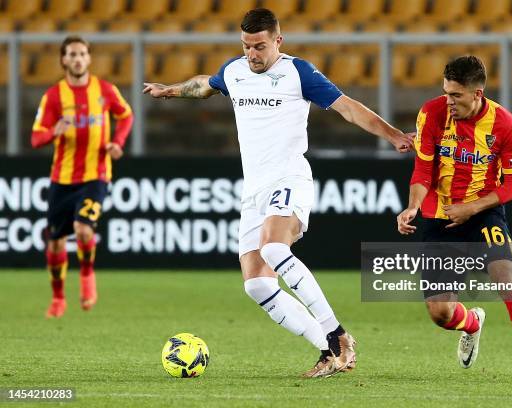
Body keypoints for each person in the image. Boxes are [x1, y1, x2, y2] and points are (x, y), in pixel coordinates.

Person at [143, 8, 413, 377]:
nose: (252, 54)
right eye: (246, 46)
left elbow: (348, 108)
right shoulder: (235, 71)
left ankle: (338, 335)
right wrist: (171, 91)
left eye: (259, 46)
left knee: (274, 248)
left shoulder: (297, 72)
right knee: (256, 283)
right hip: (253, 190)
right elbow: (206, 84)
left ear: (277, 41)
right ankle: (327, 351)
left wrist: (394, 135)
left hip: (289, 179)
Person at [397, 55, 512, 383]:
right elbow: (423, 169)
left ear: (478, 94)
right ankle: (472, 323)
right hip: (438, 217)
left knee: (507, 282)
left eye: (456, 95)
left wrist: (472, 208)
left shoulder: (504, 124)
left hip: (483, 215)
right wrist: (413, 206)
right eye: (446, 92)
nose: (449, 101)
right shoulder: (432, 113)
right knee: (441, 314)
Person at [31, 36, 133, 318]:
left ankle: (87, 275)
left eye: (82, 54)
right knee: (55, 242)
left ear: (88, 59)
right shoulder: (53, 96)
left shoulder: (104, 90)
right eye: (72, 54)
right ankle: (58, 297)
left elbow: (126, 115)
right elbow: (36, 137)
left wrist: (118, 143)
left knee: (84, 229)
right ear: (64, 60)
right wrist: (55, 132)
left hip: (96, 175)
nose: (77, 59)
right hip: (62, 179)